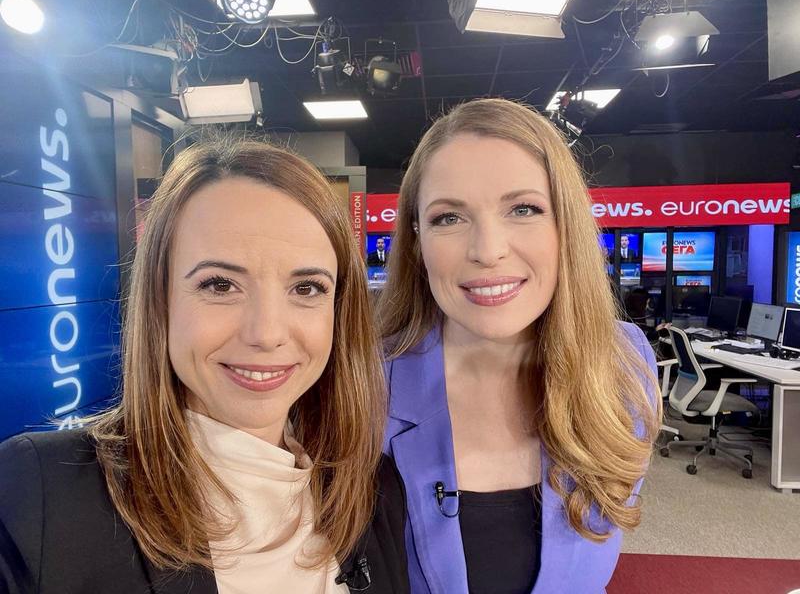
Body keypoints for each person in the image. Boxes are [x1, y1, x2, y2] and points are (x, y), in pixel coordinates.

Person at [0, 138, 408, 593]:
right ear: (161, 299)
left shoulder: (373, 491)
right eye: (220, 285)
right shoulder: (42, 494)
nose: (267, 332)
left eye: (306, 288)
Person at [377, 98, 660, 594]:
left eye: (523, 209)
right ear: (417, 241)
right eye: (449, 218)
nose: (488, 251)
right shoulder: (363, 386)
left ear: (565, 226)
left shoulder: (624, 364)